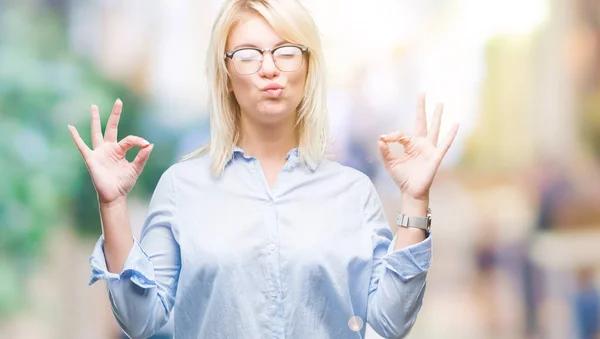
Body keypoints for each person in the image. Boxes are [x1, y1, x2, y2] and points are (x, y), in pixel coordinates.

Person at [68, 0, 459, 338]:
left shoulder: (353, 193)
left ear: (307, 69)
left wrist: (415, 197)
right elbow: (139, 322)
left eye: (286, 51)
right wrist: (112, 205)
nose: (269, 68)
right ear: (226, 77)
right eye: (249, 54)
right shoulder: (181, 188)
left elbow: (391, 321)